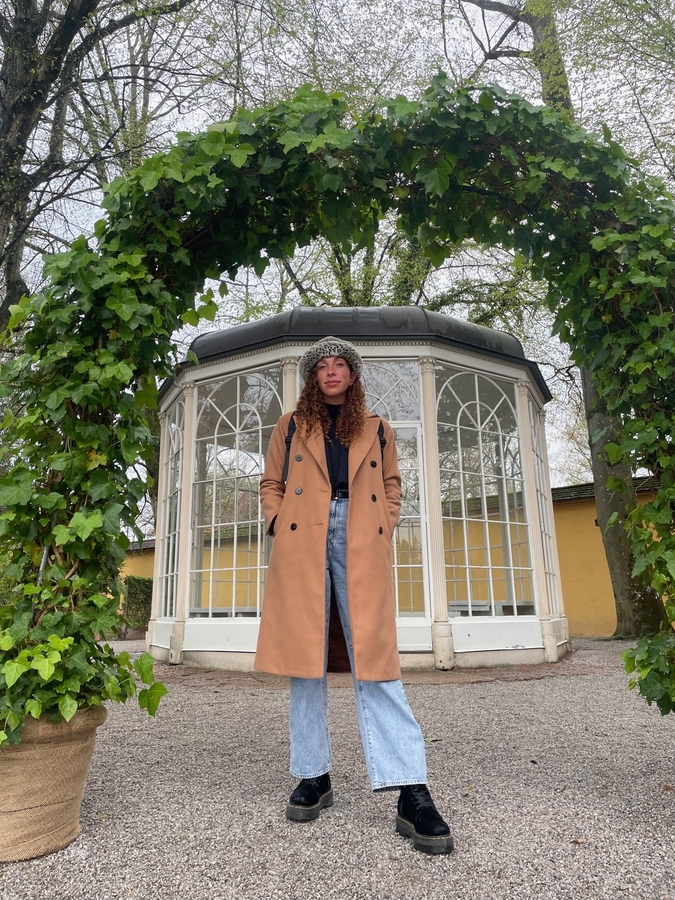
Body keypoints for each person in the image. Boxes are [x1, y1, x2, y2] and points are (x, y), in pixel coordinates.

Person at [254, 336, 453, 855]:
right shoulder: (291, 425)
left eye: (340, 364)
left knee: (377, 661)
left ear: (352, 374)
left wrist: (383, 524)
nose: (331, 371)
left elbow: (393, 485)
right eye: (322, 365)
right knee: (305, 661)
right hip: (302, 538)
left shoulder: (377, 428)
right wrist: (277, 521)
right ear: (313, 377)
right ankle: (313, 775)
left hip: (360, 535)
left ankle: (411, 790)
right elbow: (270, 483)